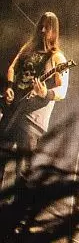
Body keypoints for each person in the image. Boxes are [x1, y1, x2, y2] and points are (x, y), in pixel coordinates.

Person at [0, 12, 69, 185]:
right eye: (41, 26)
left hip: (32, 120)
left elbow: (62, 90)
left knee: (22, 171)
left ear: (54, 31)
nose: (43, 30)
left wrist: (45, 93)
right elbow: (12, 68)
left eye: (47, 27)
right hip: (12, 111)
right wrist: (9, 87)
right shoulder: (28, 48)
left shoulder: (57, 57)